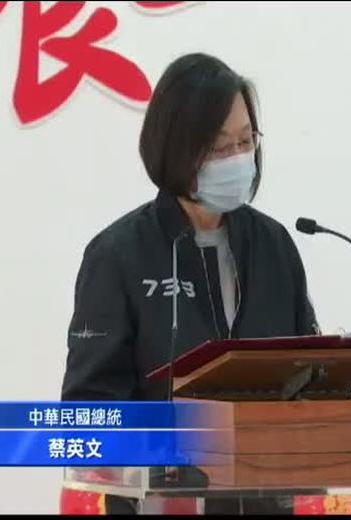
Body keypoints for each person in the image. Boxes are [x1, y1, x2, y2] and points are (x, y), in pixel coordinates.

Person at [61, 52, 320, 515]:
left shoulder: (274, 245)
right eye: (219, 147)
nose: (237, 158)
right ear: (175, 148)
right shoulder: (118, 255)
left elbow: (307, 378)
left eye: (246, 141)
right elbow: (90, 412)